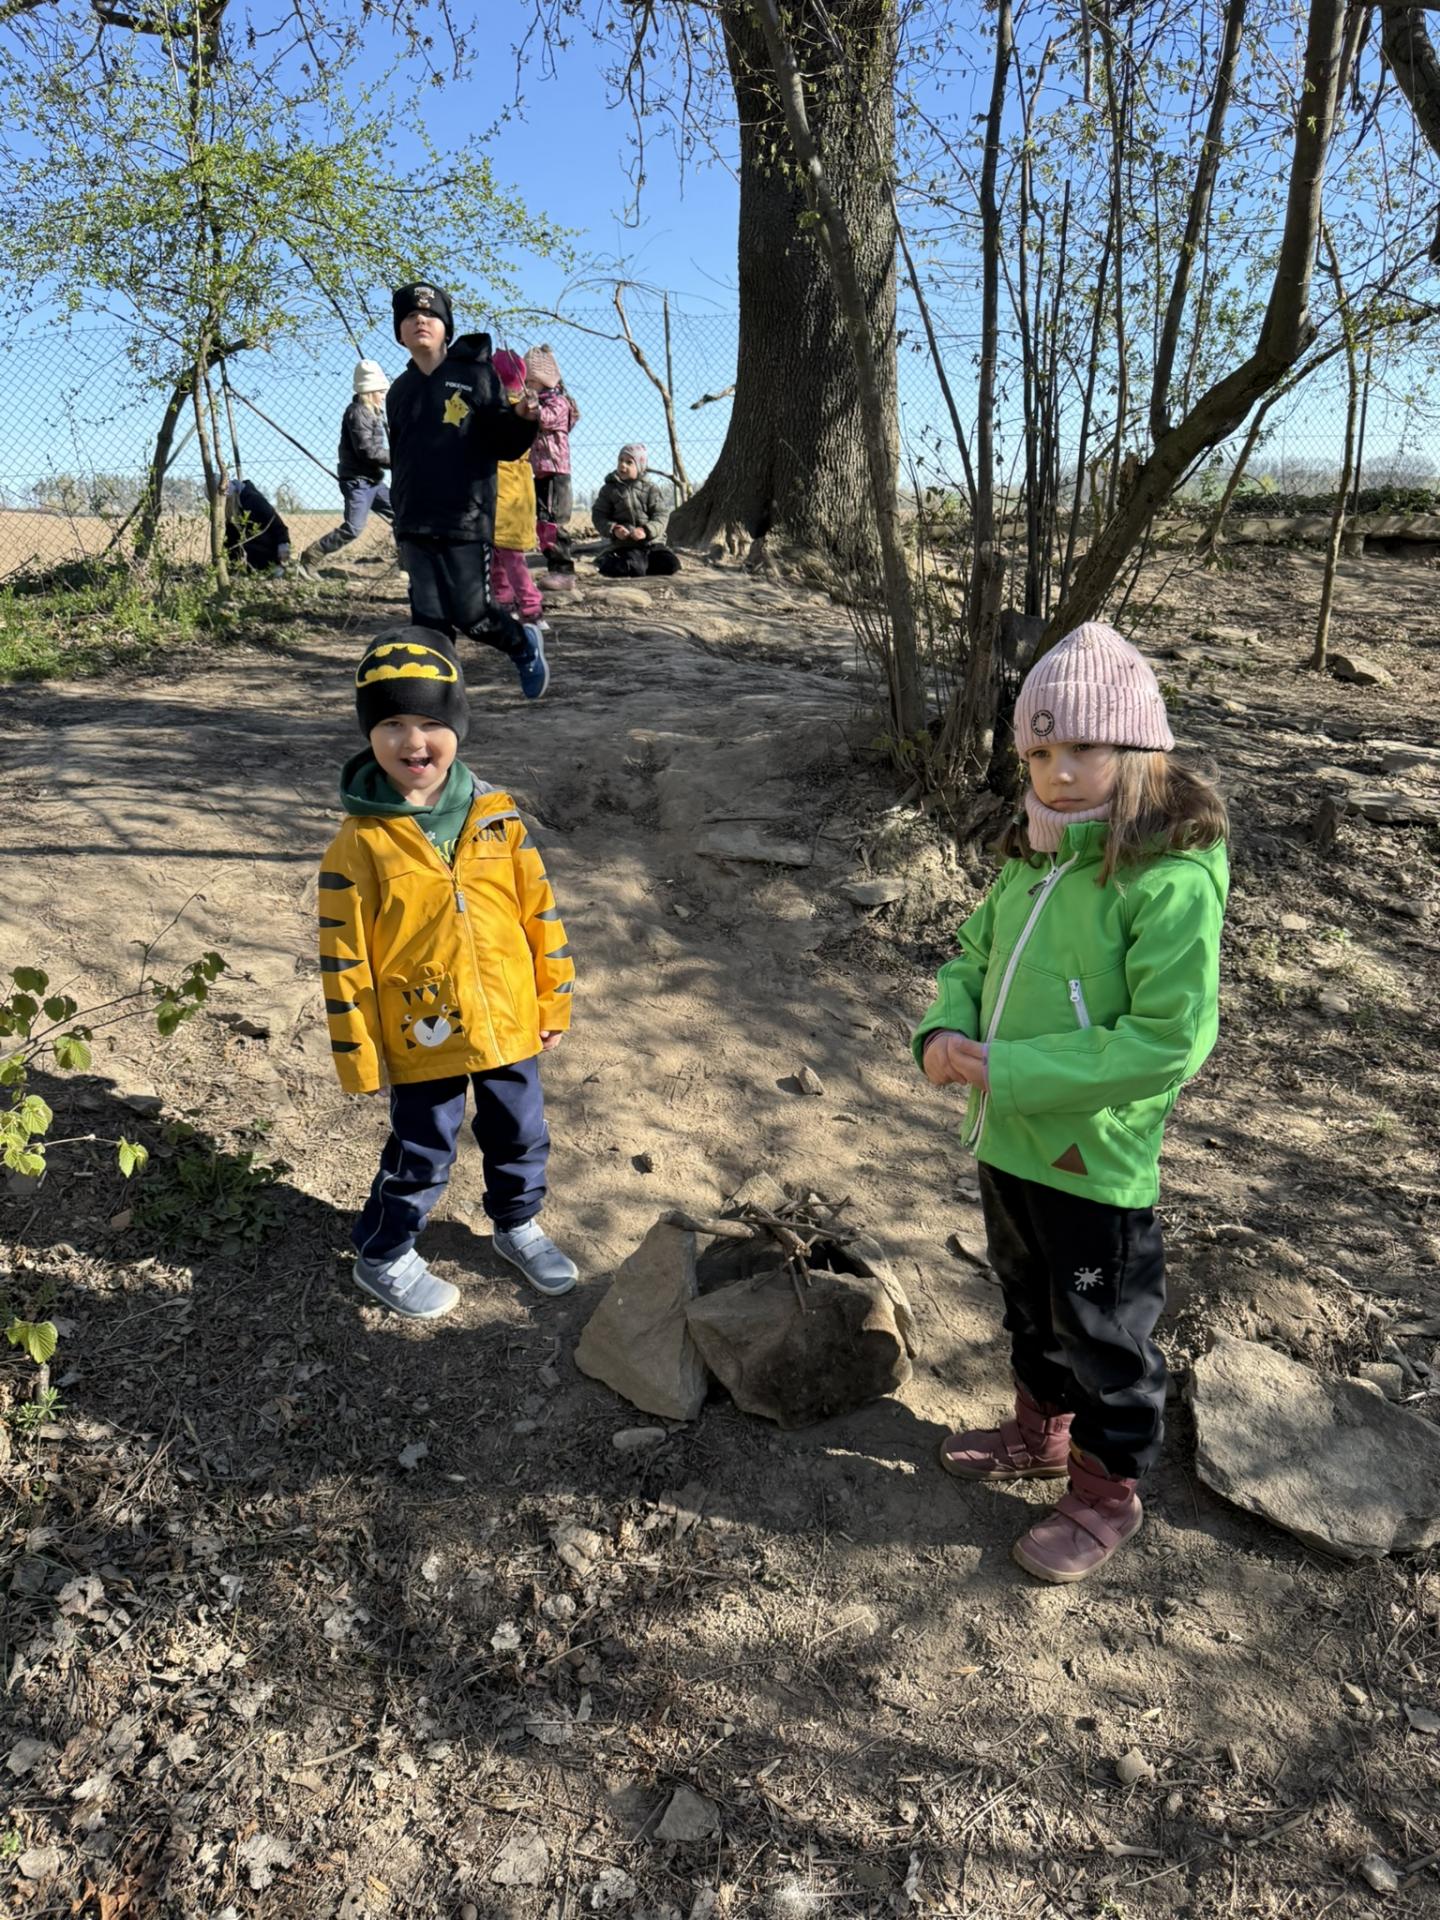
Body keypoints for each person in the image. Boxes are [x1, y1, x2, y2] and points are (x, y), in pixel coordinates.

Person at [913, 622, 1228, 1584]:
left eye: (1083, 748)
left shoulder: (1168, 882)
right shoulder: (1032, 859)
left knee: (1102, 1329)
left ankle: (1105, 1489)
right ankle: (1040, 1432)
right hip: (1006, 1140)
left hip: (1092, 1162)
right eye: (1039, 754)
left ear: (1139, 751)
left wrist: (1011, 1068)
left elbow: (1167, 1041)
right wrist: (942, 1029)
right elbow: (972, 957)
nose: (1058, 773)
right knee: (1027, 1301)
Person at [318, 625, 580, 1316]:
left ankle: (517, 1224)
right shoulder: (358, 845)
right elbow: (343, 960)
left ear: (457, 727)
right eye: (392, 724)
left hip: (509, 1020)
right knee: (422, 1148)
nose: (414, 742)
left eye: (432, 722)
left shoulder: (497, 817)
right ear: (369, 734)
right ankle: (383, 1252)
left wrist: (552, 1002)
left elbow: (540, 913)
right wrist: (358, 1056)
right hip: (422, 1031)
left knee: (521, 1132)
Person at [385, 281, 550, 700]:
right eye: (410, 316)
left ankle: (522, 643)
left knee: (473, 615)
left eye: (431, 315)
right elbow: (400, 456)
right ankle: (439, 701)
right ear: (399, 331)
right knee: (428, 622)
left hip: (465, 516)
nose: (420, 320)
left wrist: (522, 418)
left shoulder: (475, 376)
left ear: (447, 328)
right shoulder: (398, 391)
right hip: (415, 520)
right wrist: (399, 515)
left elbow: (504, 443)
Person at [299, 360, 395, 575]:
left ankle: (407, 565)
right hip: (358, 482)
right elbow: (367, 451)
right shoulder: (358, 413)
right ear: (370, 391)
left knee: (402, 515)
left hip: (373, 481)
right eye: (381, 391)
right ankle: (310, 558)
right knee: (353, 528)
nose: (383, 396)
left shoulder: (373, 413)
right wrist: (397, 459)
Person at [489, 348, 544, 630]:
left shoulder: (501, 410)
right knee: (502, 552)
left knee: (509, 555)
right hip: (520, 488)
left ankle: (531, 607)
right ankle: (504, 601)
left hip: (503, 489)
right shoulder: (526, 407)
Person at [525, 343, 580, 587]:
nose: (527, 386)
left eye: (530, 381)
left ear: (543, 380)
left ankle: (564, 571)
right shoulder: (542, 401)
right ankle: (554, 568)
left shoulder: (558, 403)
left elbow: (545, 420)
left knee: (553, 524)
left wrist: (532, 407)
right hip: (540, 471)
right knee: (542, 522)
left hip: (556, 471)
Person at [592, 445, 681, 578]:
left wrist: (646, 530)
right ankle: (609, 561)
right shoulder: (609, 490)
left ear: (640, 467)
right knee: (633, 567)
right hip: (626, 544)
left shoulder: (651, 489)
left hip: (652, 543)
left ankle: (642, 565)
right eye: (620, 460)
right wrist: (614, 529)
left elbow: (661, 515)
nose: (623, 465)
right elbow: (599, 515)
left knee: (671, 564)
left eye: (629, 462)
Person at [223, 476, 290, 572]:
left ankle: (272, 569)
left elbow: (277, 524)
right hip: (246, 558)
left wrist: (283, 544)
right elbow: (230, 540)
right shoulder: (230, 510)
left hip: (267, 552)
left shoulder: (254, 500)